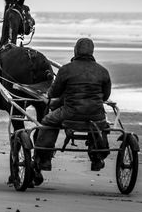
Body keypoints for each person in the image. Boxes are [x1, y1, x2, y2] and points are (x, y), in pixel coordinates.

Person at [34, 38, 111, 172]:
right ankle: (97, 158)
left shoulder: (66, 70)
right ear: (92, 51)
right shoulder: (103, 71)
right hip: (96, 117)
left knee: (47, 121)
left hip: (70, 115)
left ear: (75, 50)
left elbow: (53, 93)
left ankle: (45, 160)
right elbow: (106, 96)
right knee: (100, 122)